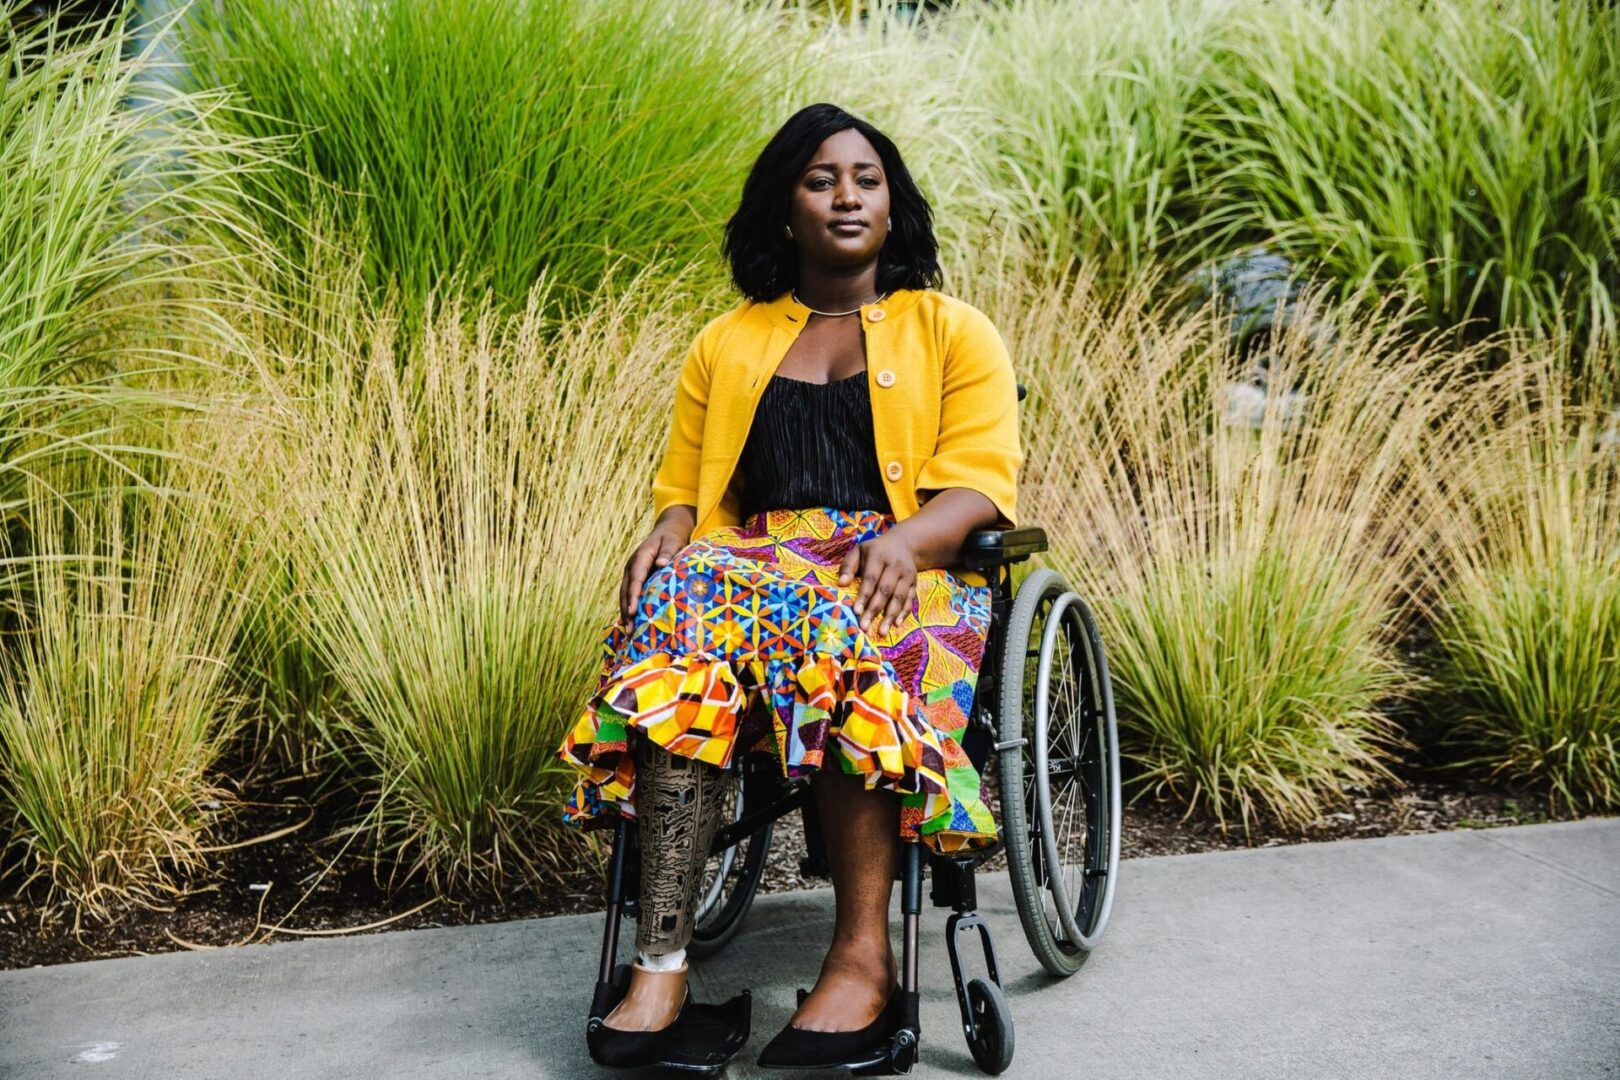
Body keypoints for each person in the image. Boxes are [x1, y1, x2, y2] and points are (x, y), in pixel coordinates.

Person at [558, 101, 1022, 1072]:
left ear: (894, 207)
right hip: (755, 570)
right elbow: (689, 492)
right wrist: (668, 532)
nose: (846, 195)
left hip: (909, 569)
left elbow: (982, 482)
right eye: (821, 179)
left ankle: (862, 958)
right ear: (785, 208)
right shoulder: (726, 343)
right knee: (674, 627)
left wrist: (907, 540)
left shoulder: (953, 331)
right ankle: (662, 964)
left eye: (866, 179)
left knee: (833, 633)